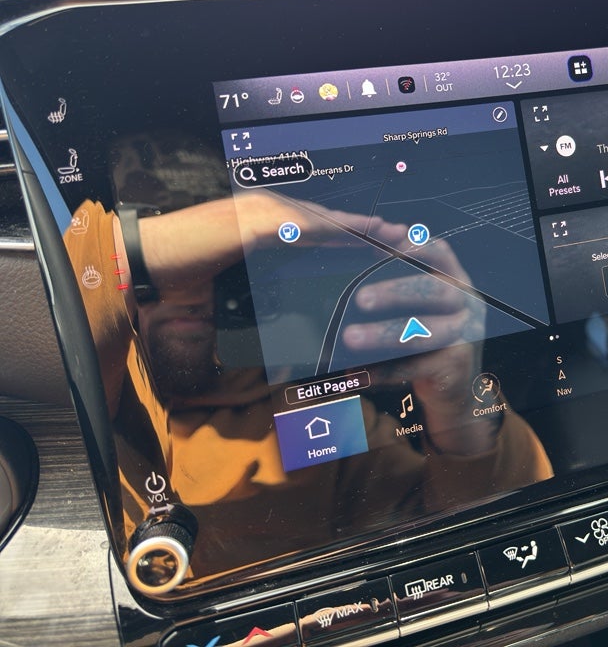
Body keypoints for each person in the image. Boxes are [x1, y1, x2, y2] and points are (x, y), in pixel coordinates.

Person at [65, 182, 552, 579]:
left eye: (219, 268)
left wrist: (461, 410)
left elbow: (474, 541)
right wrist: (137, 249)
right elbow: (43, 327)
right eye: (173, 265)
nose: (191, 293)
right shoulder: (80, 395)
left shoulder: (307, 416)